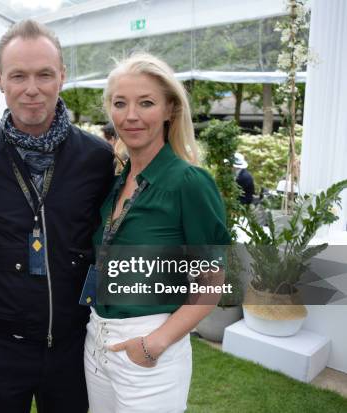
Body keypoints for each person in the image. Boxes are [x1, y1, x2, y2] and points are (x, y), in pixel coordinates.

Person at [0, 20, 114, 413]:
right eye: (18, 76)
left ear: (62, 75)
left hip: (73, 347)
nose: (32, 88)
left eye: (44, 74)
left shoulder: (96, 159)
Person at [84, 53, 231, 413]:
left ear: (170, 111)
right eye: (120, 103)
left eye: (145, 102)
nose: (131, 115)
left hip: (149, 348)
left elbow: (212, 281)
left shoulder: (189, 183)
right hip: (96, 342)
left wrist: (153, 345)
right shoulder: (117, 182)